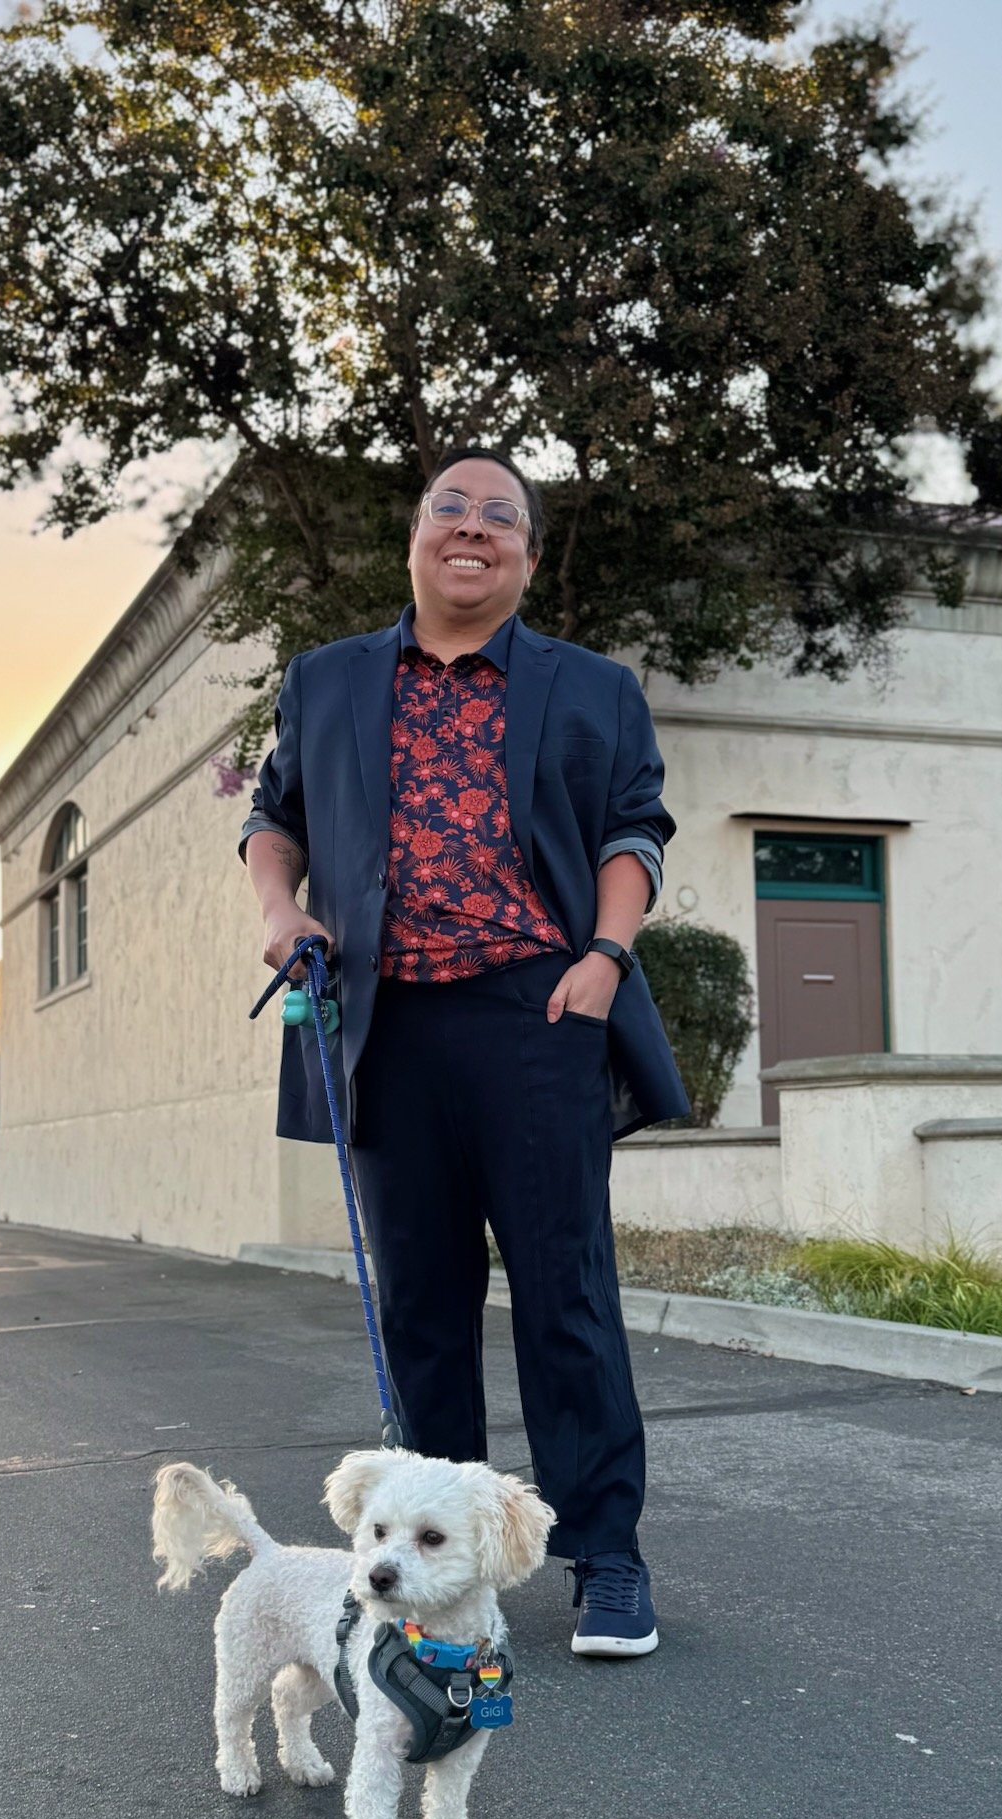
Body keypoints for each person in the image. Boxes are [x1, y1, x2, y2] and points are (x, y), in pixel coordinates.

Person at [240, 447, 688, 1657]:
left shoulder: (594, 687)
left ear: (527, 556)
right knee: (421, 1305)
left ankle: (606, 1554)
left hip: (539, 1013)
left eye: (502, 515)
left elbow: (634, 829)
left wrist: (605, 957)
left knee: (565, 1295)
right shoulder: (328, 679)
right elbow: (275, 818)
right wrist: (281, 910)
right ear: (416, 539)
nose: (473, 527)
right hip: (386, 1023)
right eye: (452, 507)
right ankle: (433, 1579)